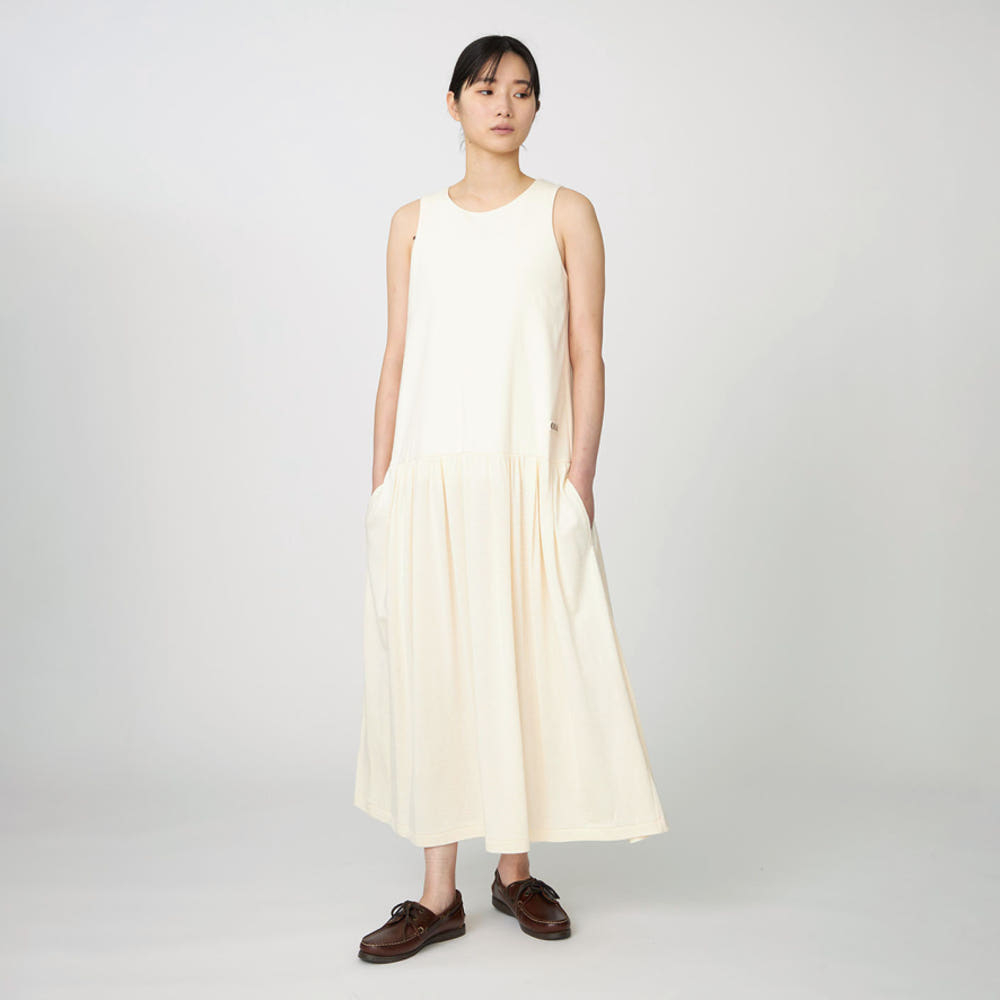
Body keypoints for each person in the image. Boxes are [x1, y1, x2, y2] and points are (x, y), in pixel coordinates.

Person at [354, 35, 669, 963]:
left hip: (527, 469)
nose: (504, 105)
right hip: (430, 478)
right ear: (452, 102)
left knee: (525, 660)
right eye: (487, 88)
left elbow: (587, 353)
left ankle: (516, 871)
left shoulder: (566, 212)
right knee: (435, 667)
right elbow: (396, 358)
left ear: (537, 109)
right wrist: (383, 484)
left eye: (522, 91)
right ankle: (437, 894)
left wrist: (579, 478)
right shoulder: (413, 223)